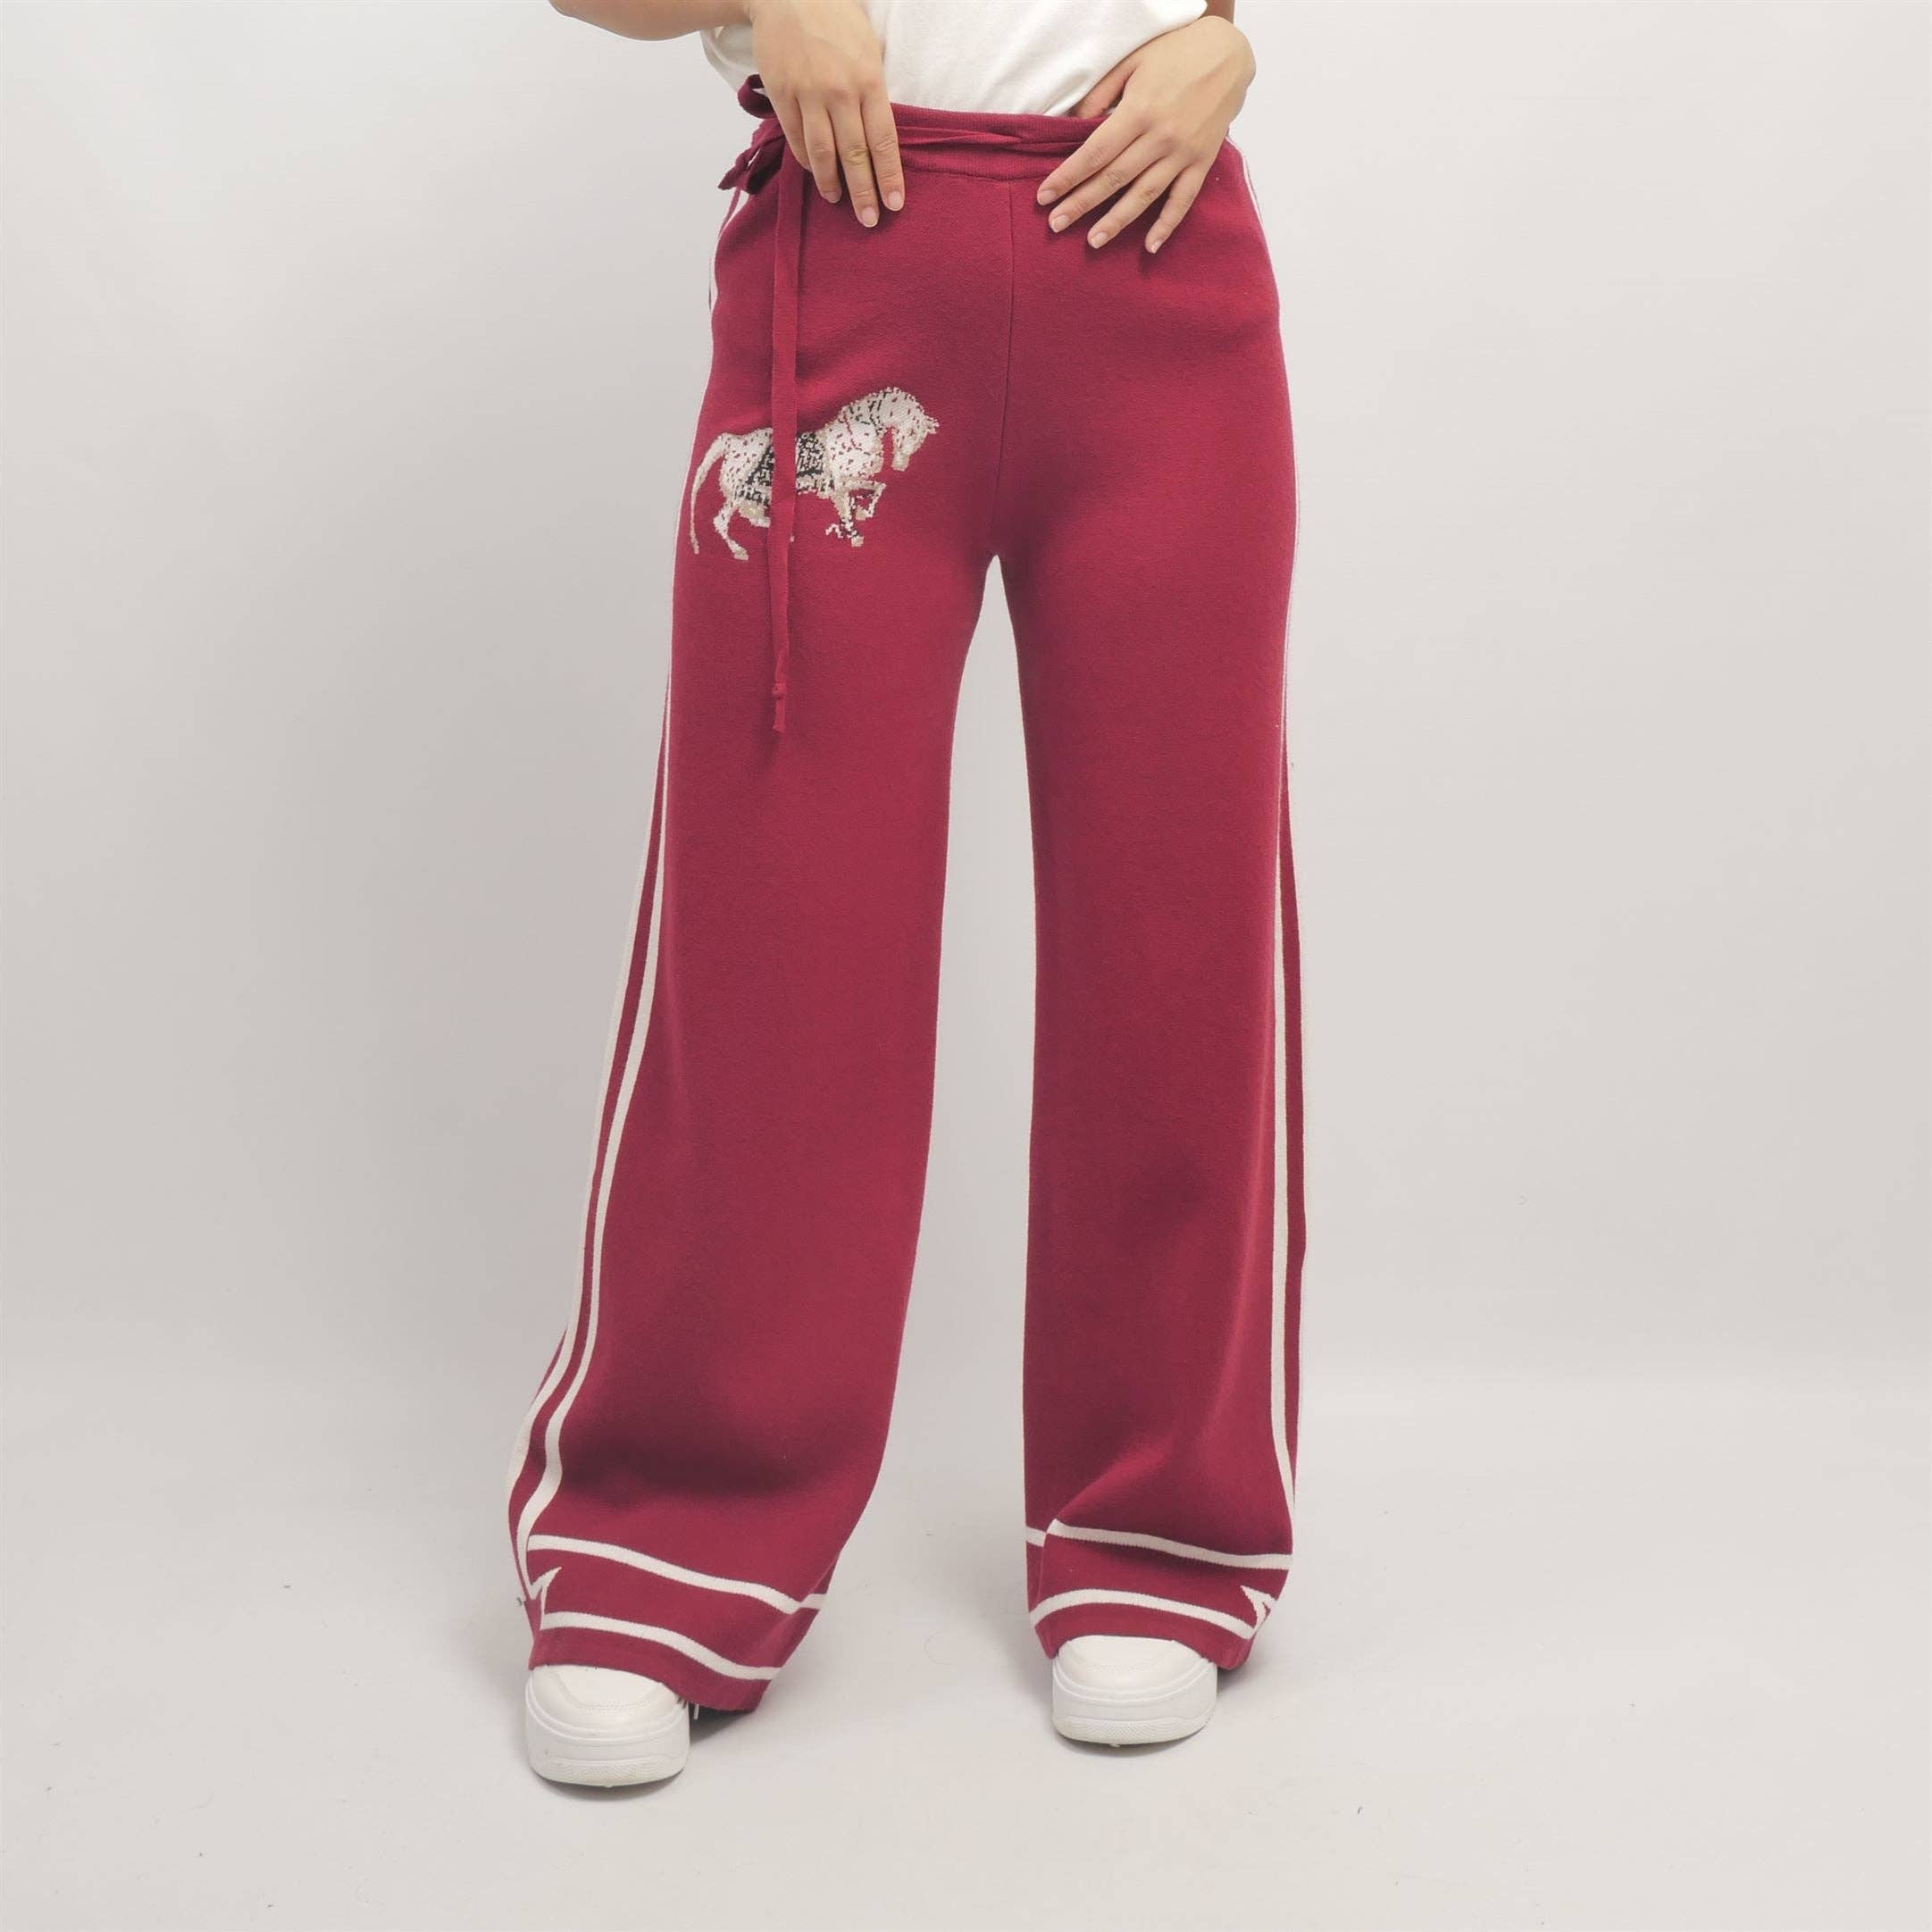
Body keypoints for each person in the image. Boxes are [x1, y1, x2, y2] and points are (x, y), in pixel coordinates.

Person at [506, 0, 1303, 1786]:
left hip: (1161, 267)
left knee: (1174, 934)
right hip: (851, 264)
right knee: (778, 937)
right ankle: (671, 1531)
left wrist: (1224, 35)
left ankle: (1156, 1529)